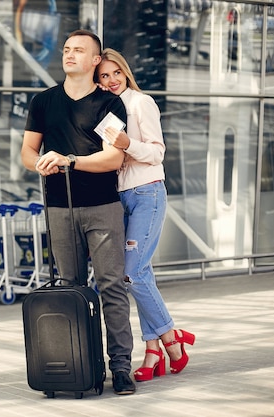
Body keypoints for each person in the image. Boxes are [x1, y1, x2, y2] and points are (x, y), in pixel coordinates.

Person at [21, 30, 136, 395]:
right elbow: (26, 151)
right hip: (59, 208)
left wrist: (70, 160)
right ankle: (82, 366)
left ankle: (120, 367)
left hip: (103, 208)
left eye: (79, 50)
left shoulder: (109, 105)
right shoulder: (43, 102)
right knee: (69, 289)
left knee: (112, 288)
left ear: (95, 60)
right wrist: (40, 163)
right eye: (67, 49)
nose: (69, 55)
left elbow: (113, 157)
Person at [97, 48, 195, 382]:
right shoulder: (104, 110)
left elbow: (156, 152)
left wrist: (126, 143)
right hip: (118, 198)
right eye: (103, 76)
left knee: (132, 273)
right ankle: (153, 350)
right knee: (142, 275)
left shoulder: (141, 102)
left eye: (115, 74)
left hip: (147, 193)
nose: (110, 81)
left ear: (125, 73)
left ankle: (171, 338)